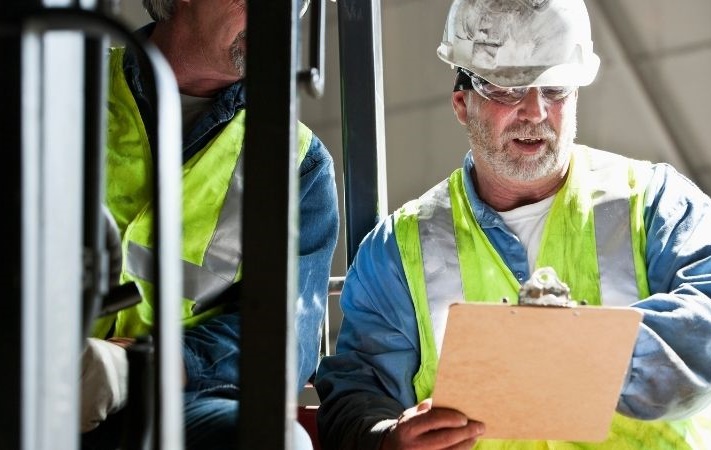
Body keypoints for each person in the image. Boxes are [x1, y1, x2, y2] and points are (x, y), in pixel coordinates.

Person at [314, 0, 711, 449]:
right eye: (506, 89)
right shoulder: (399, 250)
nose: (535, 111)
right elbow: (357, 390)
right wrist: (386, 440)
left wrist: (578, 353)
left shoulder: (656, 204)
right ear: (462, 104)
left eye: (555, 88)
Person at [81, 0, 338, 448]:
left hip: (172, 406)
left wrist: (142, 366)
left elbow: (284, 346)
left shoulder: (297, 164)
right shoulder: (57, 84)